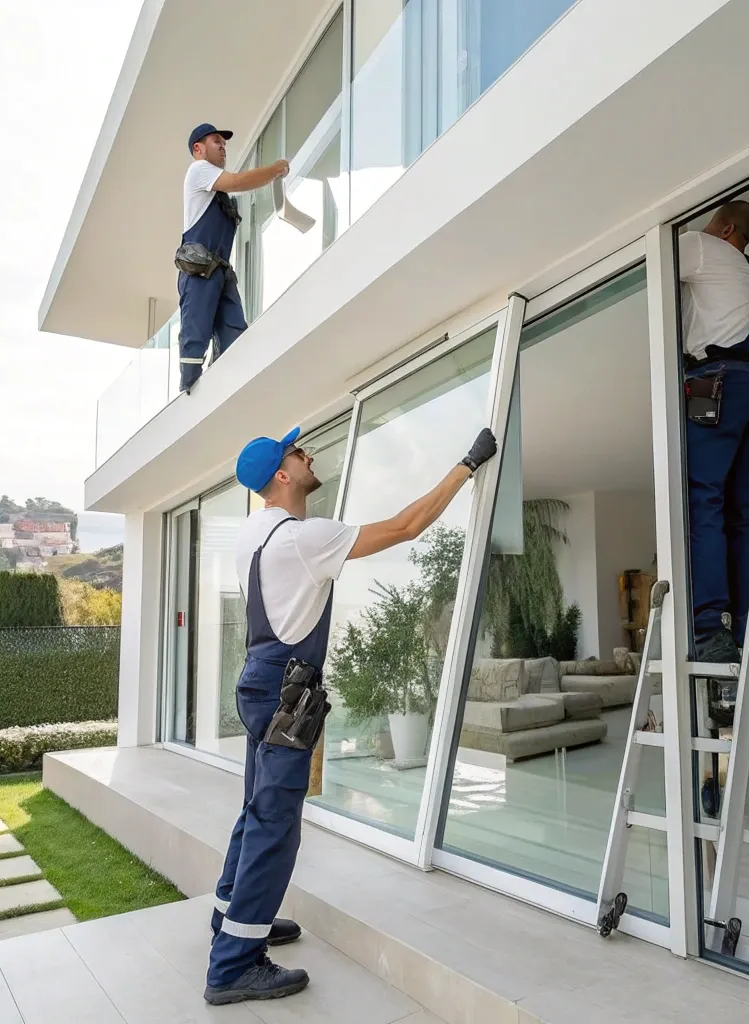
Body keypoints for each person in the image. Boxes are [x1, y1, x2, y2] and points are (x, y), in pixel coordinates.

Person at [204, 424, 499, 1005]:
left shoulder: (253, 535)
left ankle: (234, 922)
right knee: (276, 826)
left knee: (255, 812)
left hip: (260, 683)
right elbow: (407, 526)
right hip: (286, 692)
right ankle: (234, 964)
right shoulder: (300, 538)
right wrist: (467, 464)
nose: (308, 453)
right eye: (297, 451)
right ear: (282, 475)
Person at [680, 200, 749, 668]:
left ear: (723, 227)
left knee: (705, 502)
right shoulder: (746, 268)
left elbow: (649, 262)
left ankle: (710, 629)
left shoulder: (702, 246)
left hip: (714, 382)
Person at [177, 123, 289, 394]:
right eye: (217, 141)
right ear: (198, 148)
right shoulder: (199, 171)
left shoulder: (220, 196)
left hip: (220, 274)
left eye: (224, 142)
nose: (223, 146)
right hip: (200, 271)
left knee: (235, 337)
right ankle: (189, 396)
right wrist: (275, 170)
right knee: (195, 342)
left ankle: (227, 392)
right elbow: (239, 181)